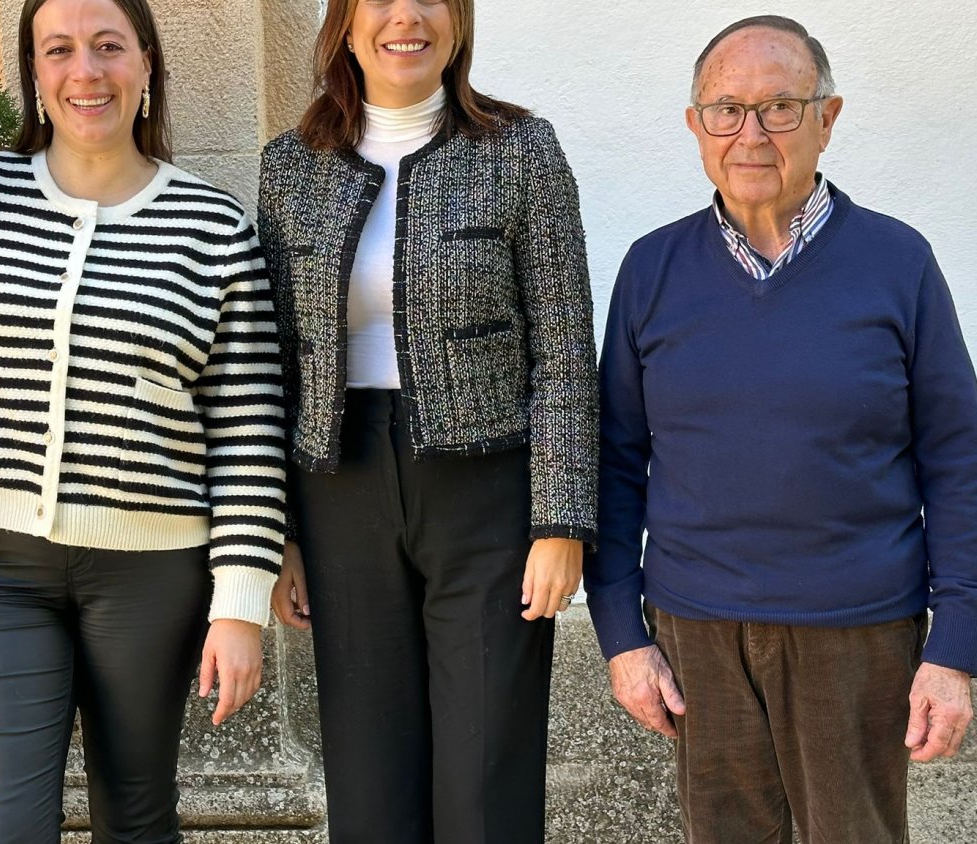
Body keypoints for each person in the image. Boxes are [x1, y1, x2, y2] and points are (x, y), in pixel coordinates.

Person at [587, 15, 977, 843]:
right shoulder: (651, 270)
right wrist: (622, 635)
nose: (751, 133)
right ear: (696, 126)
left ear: (827, 119)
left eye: (780, 107)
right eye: (726, 109)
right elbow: (615, 463)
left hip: (860, 632)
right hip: (697, 633)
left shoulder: (898, 262)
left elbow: (957, 464)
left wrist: (952, 650)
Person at [0, 0, 285, 841]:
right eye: (59, 50)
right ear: (35, 74)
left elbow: (247, 426)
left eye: (107, 47)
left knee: (138, 814)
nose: (85, 72)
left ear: (148, 65)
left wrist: (241, 604)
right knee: (3, 825)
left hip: (152, 573)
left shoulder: (213, 226)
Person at [257, 1, 598, 841]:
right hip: (340, 489)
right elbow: (272, 359)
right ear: (344, 21)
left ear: (457, 19)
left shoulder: (521, 150)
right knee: (369, 784)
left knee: (487, 776)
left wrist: (562, 521)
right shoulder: (290, 166)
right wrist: (282, 534)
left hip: (488, 492)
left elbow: (562, 342)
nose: (404, 17)